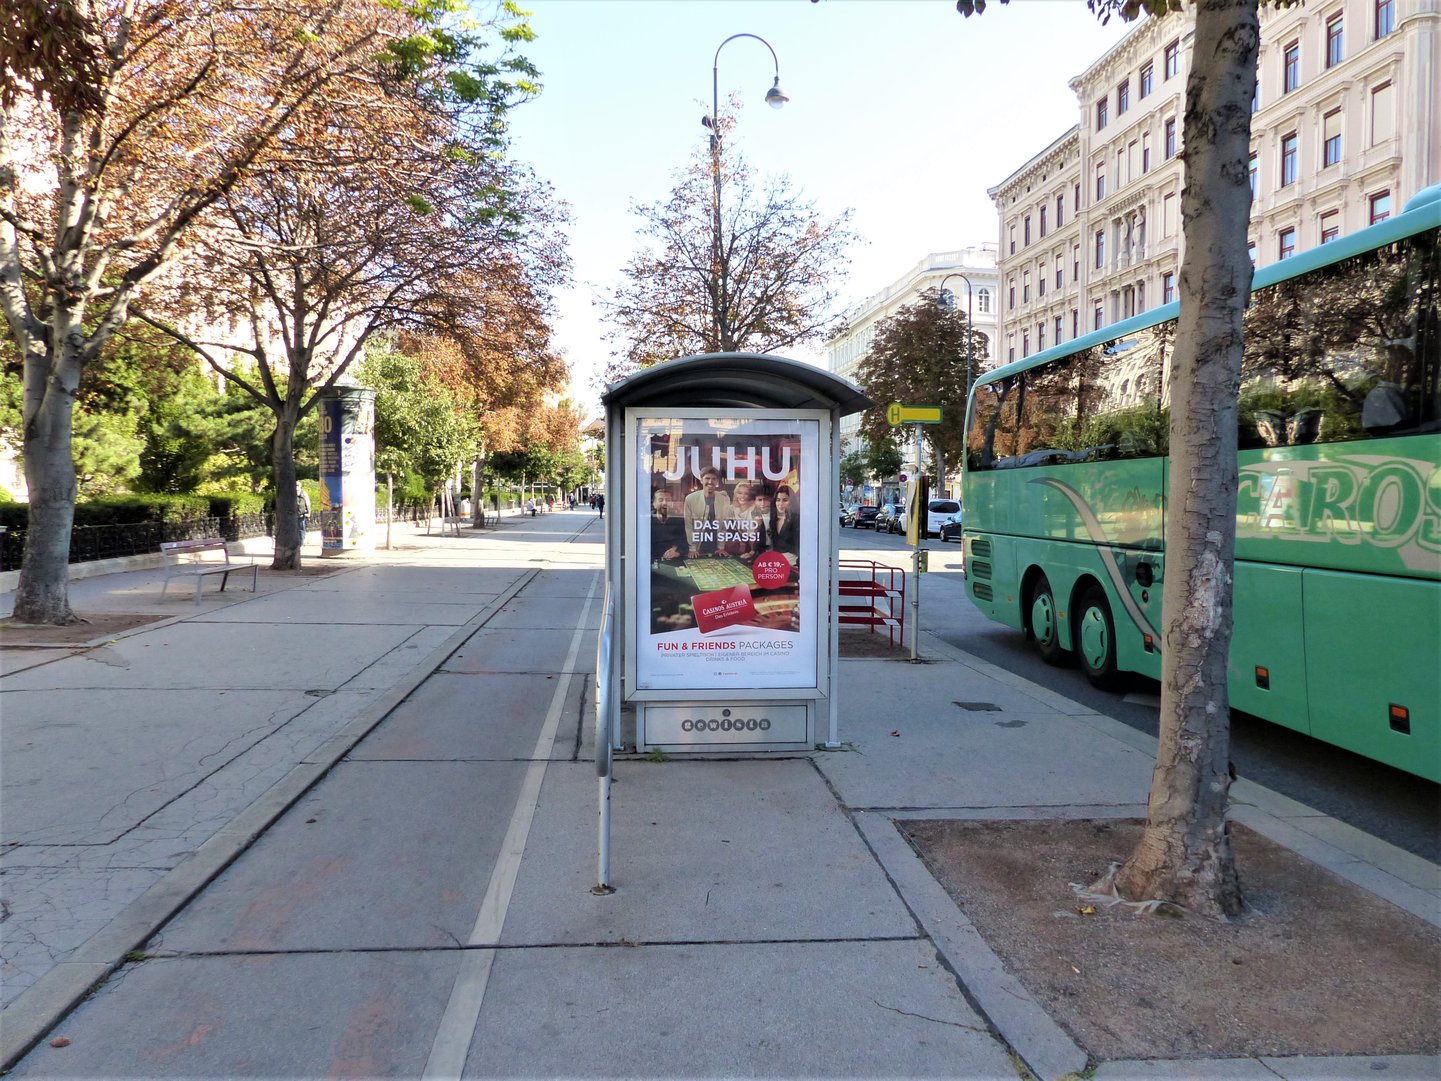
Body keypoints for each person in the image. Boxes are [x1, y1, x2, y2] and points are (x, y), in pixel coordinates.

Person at [683, 466, 734, 558]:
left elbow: (724, 526)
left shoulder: (724, 498)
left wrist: (721, 547)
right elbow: (689, 526)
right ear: (701, 480)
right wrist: (692, 548)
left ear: (717, 481)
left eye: (714, 479)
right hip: (698, 546)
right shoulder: (690, 498)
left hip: (715, 545)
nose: (710, 482)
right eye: (707, 478)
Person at [649, 487, 686, 564]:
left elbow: (685, 542)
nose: (665, 503)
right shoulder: (647, 522)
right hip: (652, 562)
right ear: (654, 504)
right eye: (660, 500)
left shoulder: (679, 521)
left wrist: (677, 551)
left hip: (675, 562)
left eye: (668, 500)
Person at [767, 484, 799, 558]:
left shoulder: (797, 519)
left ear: (791, 501)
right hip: (777, 559)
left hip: (793, 561)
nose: (780, 504)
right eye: (778, 500)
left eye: (785, 500)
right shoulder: (773, 519)